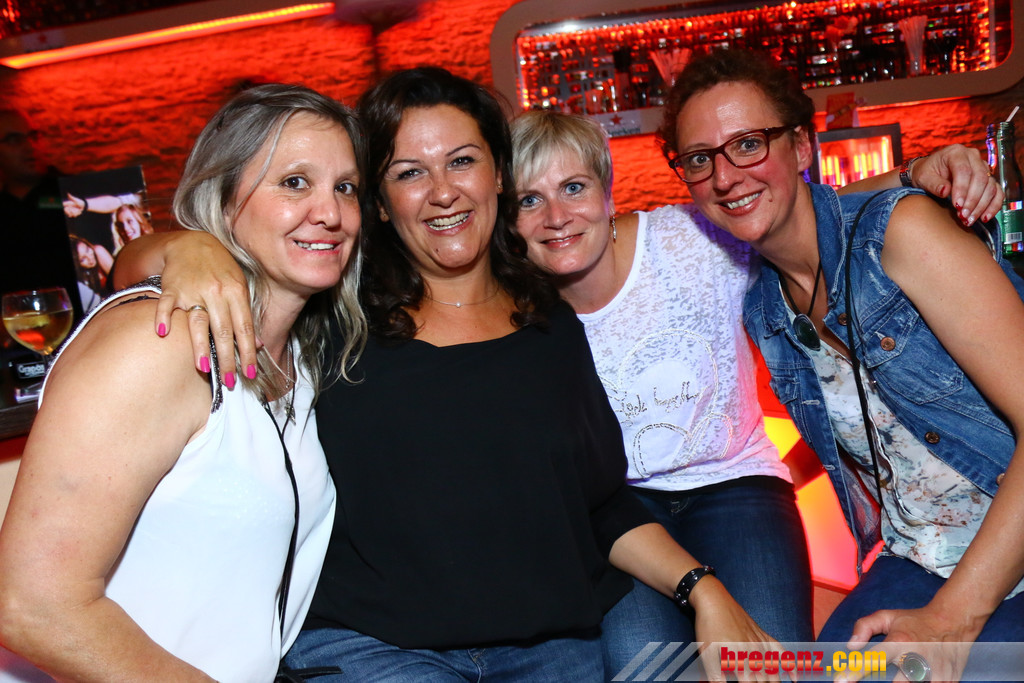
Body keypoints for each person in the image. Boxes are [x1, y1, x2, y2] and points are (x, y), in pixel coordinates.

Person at [115, 66, 778, 681]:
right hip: (373, 648)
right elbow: (130, 276)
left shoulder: (549, 324)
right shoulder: (335, 315)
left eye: (462, 160)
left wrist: (705, 591)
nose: (442, 191)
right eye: (409, 172)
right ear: (378, 203)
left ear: (498, 175)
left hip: (549, 647)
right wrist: (185, 247)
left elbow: (600, 502)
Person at [508, 109, 1004, 668]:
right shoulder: (517, 314)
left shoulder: (684, 242)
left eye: (573, 188)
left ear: (606, 190)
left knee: (769, 661)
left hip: (736, 485)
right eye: (529, 200)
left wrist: (914, 173)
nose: (556, 216)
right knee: (642, 664)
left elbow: (805, 212)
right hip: (621, 512)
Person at [660, 47, 1024, 680]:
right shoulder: (767, 309)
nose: (725, 177)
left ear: (802, 146)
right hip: (919, 557)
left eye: (748, 144)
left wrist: (952, 620)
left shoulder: (903, 234)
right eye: (699, 159)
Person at [0, 83, 366, 681]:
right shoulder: (158, 343)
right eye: (294, 182)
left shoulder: (301, 356)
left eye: (345, 187)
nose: (330, 212)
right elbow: (31, 607)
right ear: (222, 200)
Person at [0, 108, 82, 319]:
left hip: (85, 323)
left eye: (33, 136)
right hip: (19, 327)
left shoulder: (76, 195)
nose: (30, 146)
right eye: (14, 140)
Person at [68, 234, 114, 311]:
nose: (90, 258)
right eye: (83, 259)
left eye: (87, 250)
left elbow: (120, 282)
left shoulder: (98, 251)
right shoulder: (82, 277)